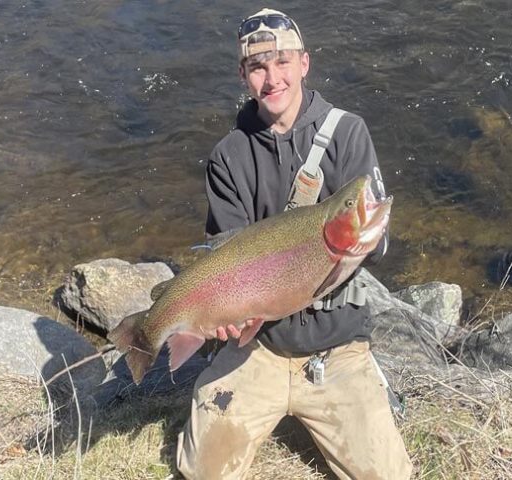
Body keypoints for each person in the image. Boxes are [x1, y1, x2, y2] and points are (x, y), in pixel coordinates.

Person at [175, 8, 412, 480]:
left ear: (304, 64)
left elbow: (377, 247)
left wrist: (367, 234)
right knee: (202, 471)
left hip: (336, 347)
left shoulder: (348, 132)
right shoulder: (228, 156)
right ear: (243, 75)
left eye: (282, 63)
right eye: (258, 67)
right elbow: (224, 258)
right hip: (258, 347)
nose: (272, 79)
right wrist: (219, 317)